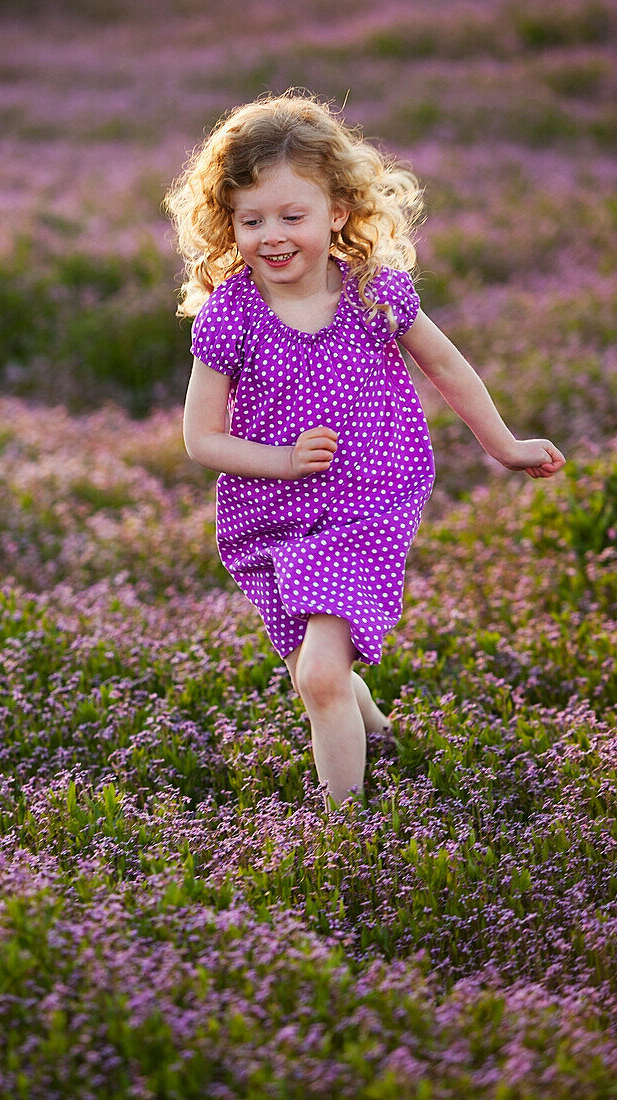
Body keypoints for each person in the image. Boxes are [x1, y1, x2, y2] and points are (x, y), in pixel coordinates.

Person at [162, 89, 565, 813]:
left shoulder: (376, 293)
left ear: (337, 213)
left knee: (318, 674)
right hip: (271, 516)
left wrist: (502, 445)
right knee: (309, 669)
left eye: (292, 215)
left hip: (367, 500)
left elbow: (446, 366)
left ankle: (344, 835)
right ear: (228, 223)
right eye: (250, 220)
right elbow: (200, 439)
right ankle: (375, 730)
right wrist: (281, 460)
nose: (271, 236)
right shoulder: (230, 314)